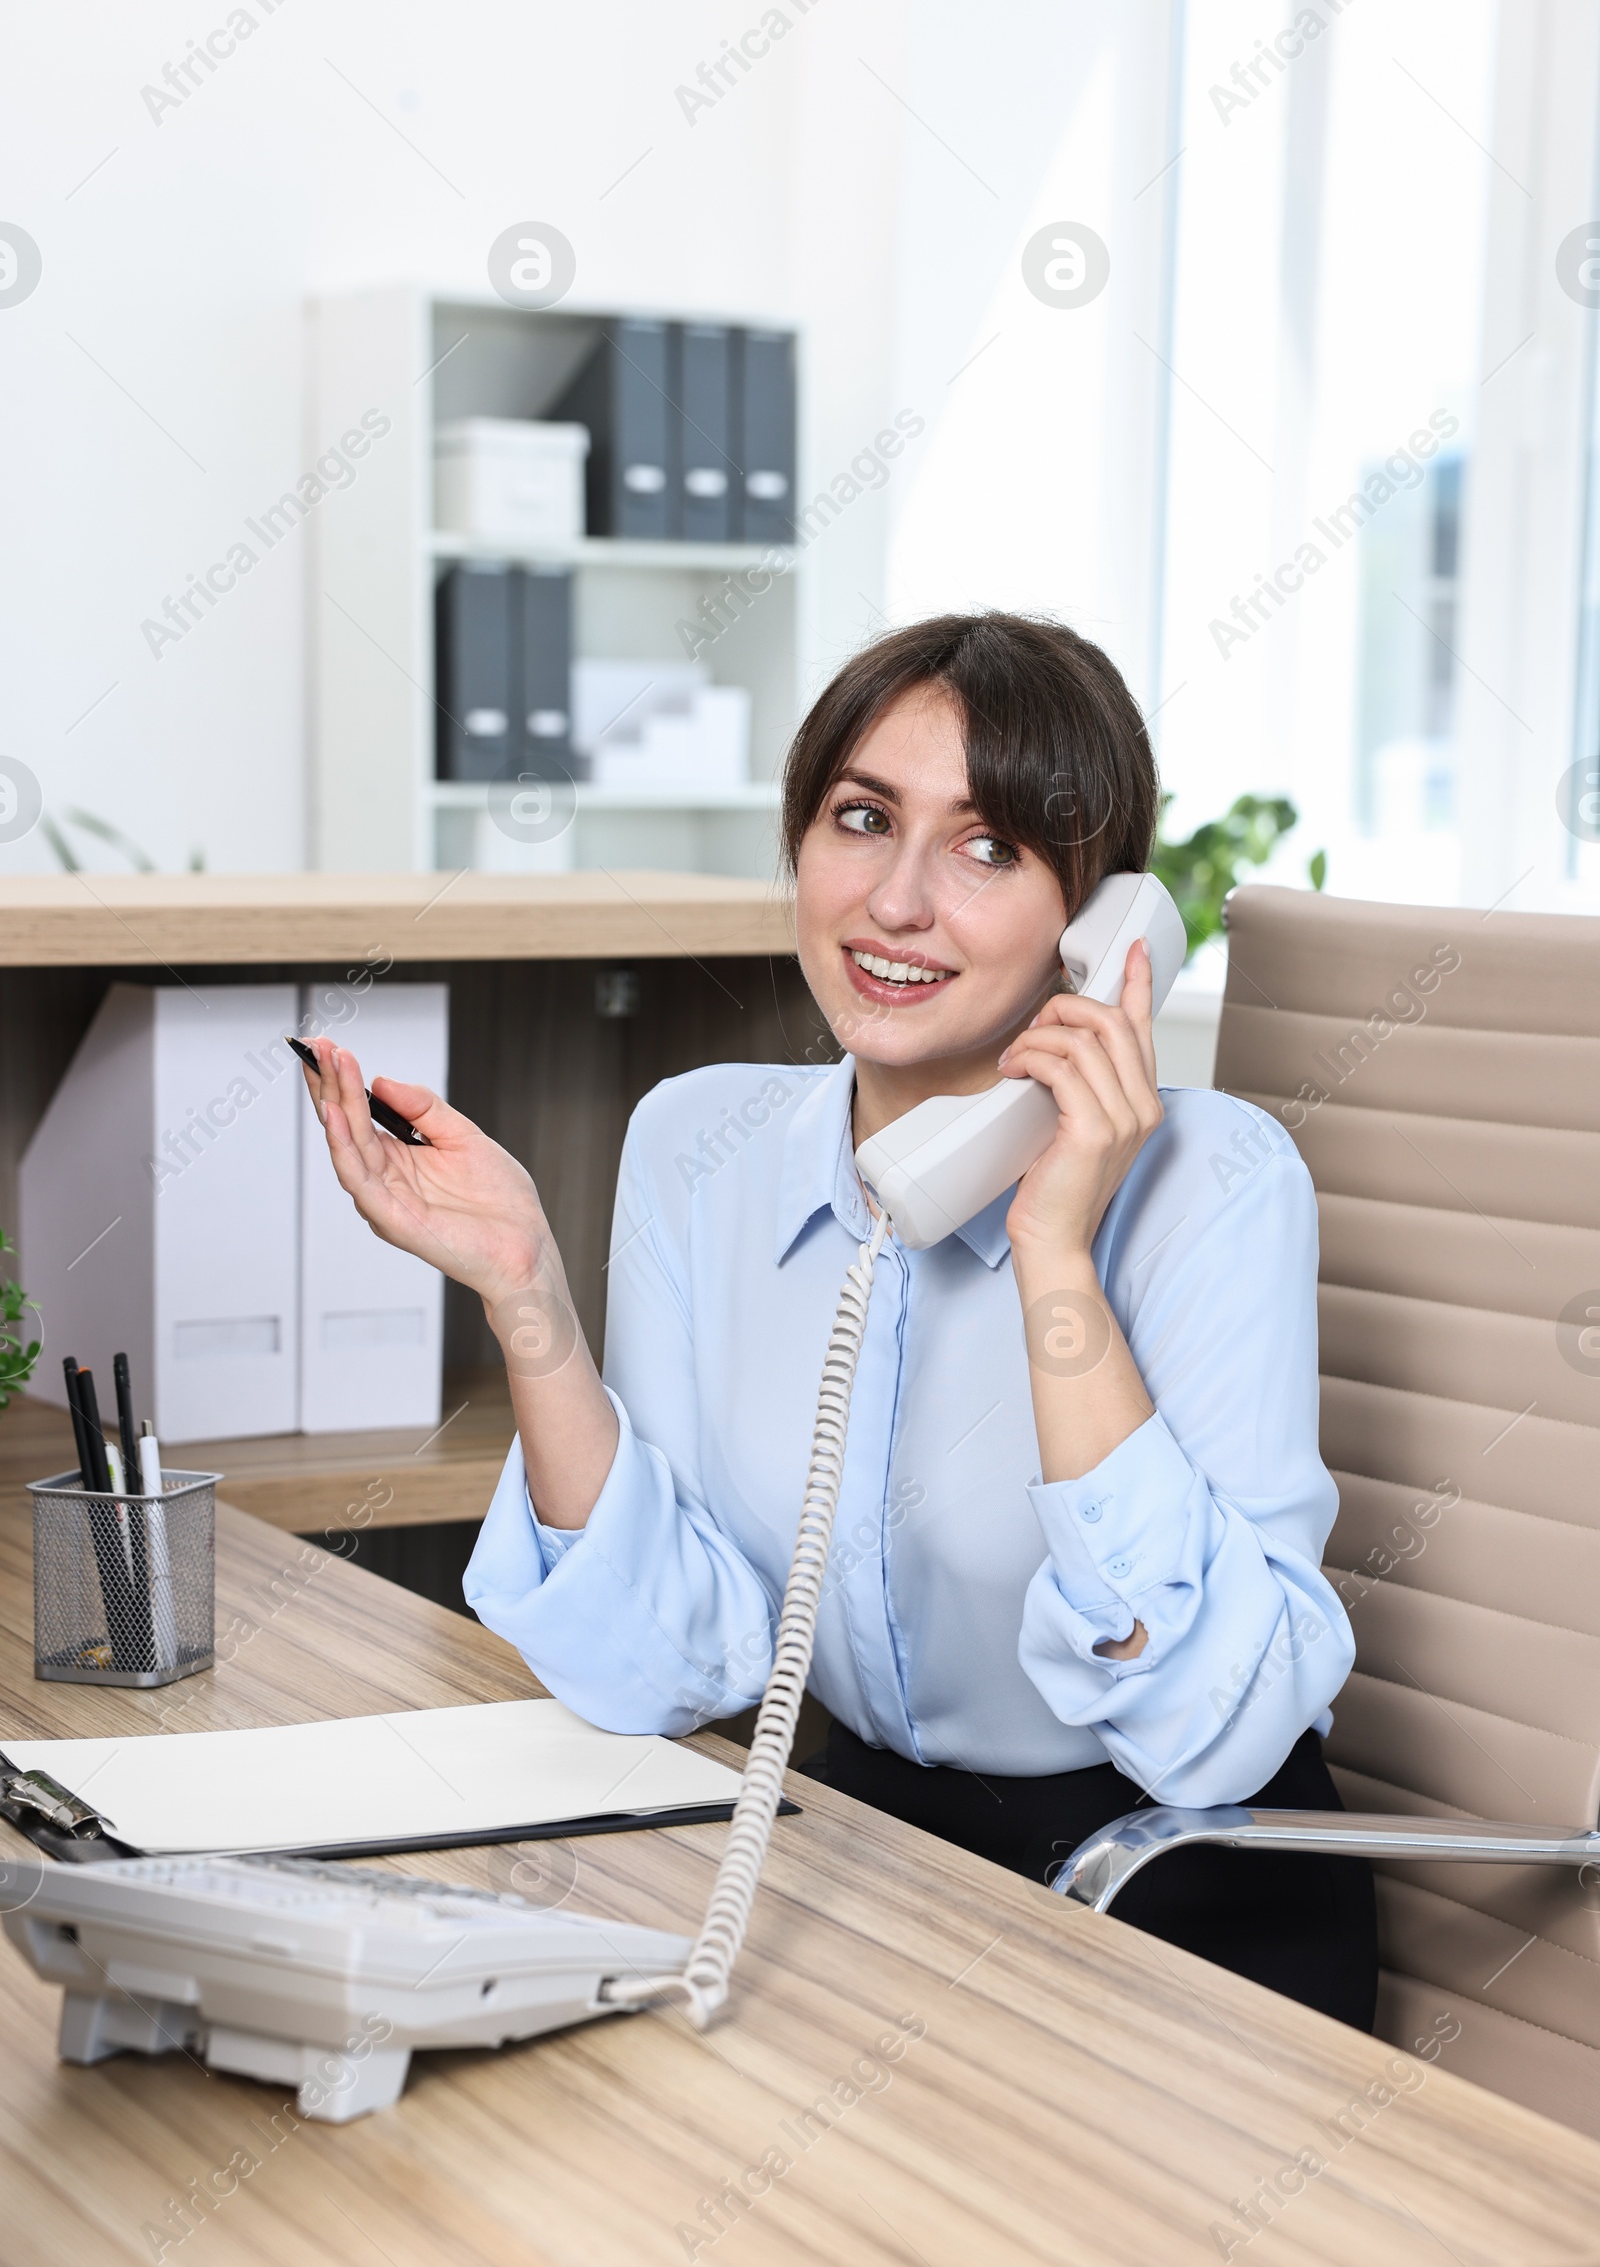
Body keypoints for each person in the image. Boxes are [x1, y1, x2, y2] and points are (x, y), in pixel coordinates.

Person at [298, 611, 1375, 2029]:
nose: (899, 901)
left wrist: (1056, 1253)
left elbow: (1214, 1734)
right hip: (869, 1879)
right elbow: (666, 1662)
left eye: (989, 847)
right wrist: (526, 1297)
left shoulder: (1218, 1184)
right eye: (863, 819)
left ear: (1099, 927)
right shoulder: (698, 1144)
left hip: (1177, 1911)